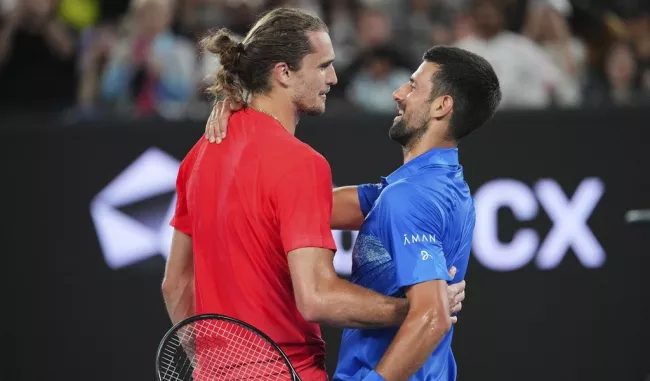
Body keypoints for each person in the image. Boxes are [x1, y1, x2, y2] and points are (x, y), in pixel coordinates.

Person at [162, 7, 466, 381]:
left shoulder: (199, 155)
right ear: (284, 73)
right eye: (322, 66)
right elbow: (317, 296)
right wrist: (413, 310)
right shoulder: (301, 164)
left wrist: (216, 364)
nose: (334, 78)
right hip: (285, 372)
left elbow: (176, 283)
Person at [206, 45, 501, 381]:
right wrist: (249, 117)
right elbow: (298, 205)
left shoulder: (409, 197)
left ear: (441, 106)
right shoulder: (435, 187)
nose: (398, 93)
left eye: (413, 85)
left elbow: (431, 316)